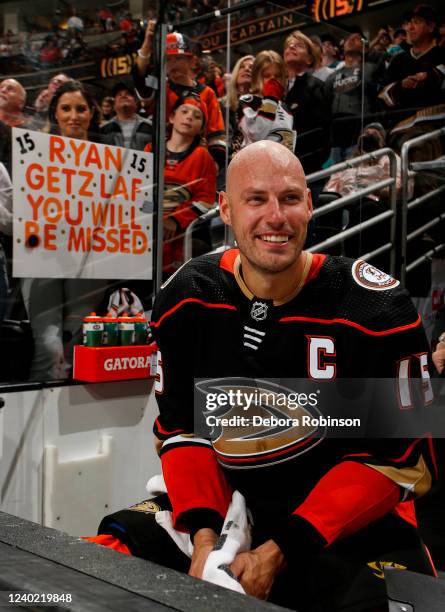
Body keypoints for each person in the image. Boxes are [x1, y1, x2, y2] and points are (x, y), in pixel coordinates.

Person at [89, 141, 436, 611]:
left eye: (290, 198)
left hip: (354, 521)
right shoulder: (187, 295)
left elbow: (398, 462)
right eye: (256, 200)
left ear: (310, 205)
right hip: (232, 504)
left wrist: (278, 552)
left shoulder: (377, 307)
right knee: (91, 568)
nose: (276, 217)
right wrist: (208, 541)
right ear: (225, 209)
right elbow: (181, 432)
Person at [21, 81, 107, 381]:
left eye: (81, 109)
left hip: (90, 264)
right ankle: (38, 426)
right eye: (66, 108)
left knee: (78, 346)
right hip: (43, 262)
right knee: (49, 349)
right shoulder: (34, 156)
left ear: (91, 113)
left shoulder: (111, 161)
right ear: (55, 114)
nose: (74, 116)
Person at [133, 21, 226, 169]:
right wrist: (147, 43)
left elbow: (217, 139)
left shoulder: (207, 93)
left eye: (178, 58)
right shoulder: (160, 87)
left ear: (191, 60)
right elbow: (139, 77)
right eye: (168, 60)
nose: (172, 64)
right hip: (160, 161)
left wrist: (212, 167)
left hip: (195, 164)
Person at [144, 95, 216, 277]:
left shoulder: (202, 156)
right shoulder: (150, 149)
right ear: (171, 117)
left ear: (201, 128)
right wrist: (153, 217)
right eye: (184, 111)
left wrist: (175, 220)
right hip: (147, 234)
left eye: (197, 116)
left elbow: (206, 199)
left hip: (180, 240)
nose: (189, 117)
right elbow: (139, 190)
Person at [283, 30, 331, 175]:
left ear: (309, 59)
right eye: (288, 45)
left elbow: (322, 131)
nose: (291, 47)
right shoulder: (277, 90)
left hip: (306, 167)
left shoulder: (316, 87)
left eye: (298, 45)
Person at [237, 50, 295, 152]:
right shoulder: (248, 101)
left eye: (277, 76)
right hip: (257, 162)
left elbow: (289, 143)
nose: (272, 81)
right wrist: (270, 100)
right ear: (256, 78)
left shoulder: (285, 107)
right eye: (266, 76)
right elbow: (257, 135)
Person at [100, 82, 152, 150]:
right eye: (119, 94)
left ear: (135, 102)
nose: (123, 96)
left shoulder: (150, 126)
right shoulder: (103, 129)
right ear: (114, 105)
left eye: (128, 94)